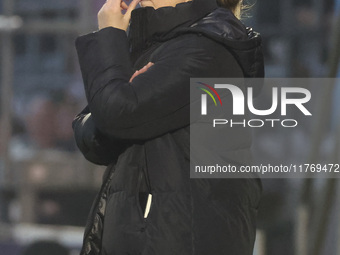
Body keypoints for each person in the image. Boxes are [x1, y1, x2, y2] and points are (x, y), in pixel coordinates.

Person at [73, 0, 264, 254]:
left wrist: (109, 34)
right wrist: (118, 99)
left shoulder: (209, 48)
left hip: (181, 238)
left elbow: (116, 113)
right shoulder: (158, 46)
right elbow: (96, 137)